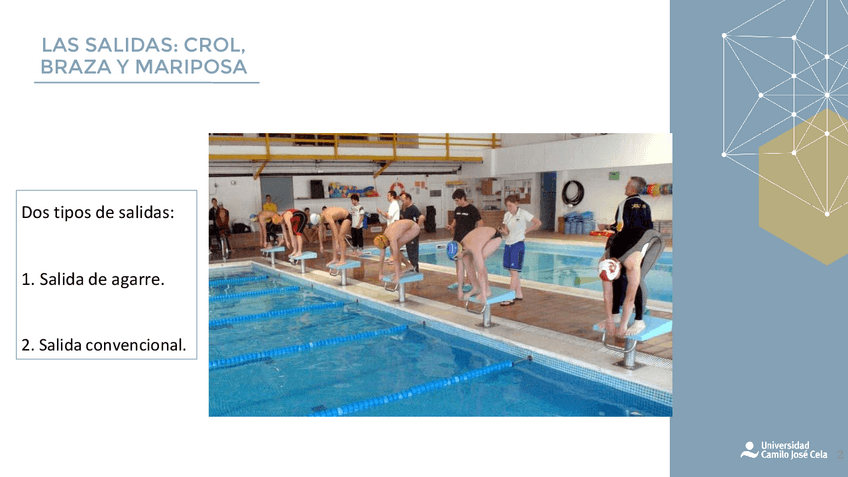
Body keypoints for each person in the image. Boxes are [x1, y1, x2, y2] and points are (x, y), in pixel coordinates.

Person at [598, 176, 654, 338]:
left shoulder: (625, 203)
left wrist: (605, 227)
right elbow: (649, 228)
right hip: (642, 244)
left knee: (632, 278)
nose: (625, 187)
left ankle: (638, 320)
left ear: (632, 189)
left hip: (631, 246)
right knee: (626, 278)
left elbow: (619, 227)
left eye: (627, 185)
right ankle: (618, 315)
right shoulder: (646, 205)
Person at [498, 194, 541, 306]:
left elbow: (538, 223)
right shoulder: (507, 215)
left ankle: (510, 297)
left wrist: (527, 230)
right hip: (508, 244)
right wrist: (503, 231)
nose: (509, 208)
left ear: (516, 204)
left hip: (518, 244)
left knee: (513, 271)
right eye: (507, 206)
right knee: (512, 271)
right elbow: (507, 232)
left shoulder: (523, 213)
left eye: (510, 206)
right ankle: (519, 294)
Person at [448, 226, 502, 305]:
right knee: (466, 258)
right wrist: (460, 290)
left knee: (478, 261)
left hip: (495, 237)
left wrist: (483, 294)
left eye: (456, 257)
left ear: (459, 251)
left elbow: (480, 271)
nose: (457, 259)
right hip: (480, 237)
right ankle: (476, 287)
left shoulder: (474, 247)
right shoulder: (461, 248)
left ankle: (487, 290)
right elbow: (460, 270)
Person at [446, 189, 483, 286]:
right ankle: (460, 281)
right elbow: (455, 220)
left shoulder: (472, 209)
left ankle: (469, 281)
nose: (456, 202)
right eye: (455, 201)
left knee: (468, 261)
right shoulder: (457, 209)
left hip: (468, 239)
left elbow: (480, 223)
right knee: (457, 261)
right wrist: (451, 226)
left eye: (457, 200)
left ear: (463, 198)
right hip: (457, 239)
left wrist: (475, 235)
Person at [374, 219, 420, 283]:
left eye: (385, 247)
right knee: (393, 248)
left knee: (395, 248)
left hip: (414, 227)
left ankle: (400, 271)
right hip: (405, 227)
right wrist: (380, 274)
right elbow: (382, 257)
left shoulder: (392, 237)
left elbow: (396, 258)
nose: (386, 247)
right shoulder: (383, 238)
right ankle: (408, 266)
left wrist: (397, 275)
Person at [399, 192, 424, 272]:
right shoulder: (404, 208)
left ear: (408, 199)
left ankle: (415, 268)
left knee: (413, 251)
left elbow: (421, 217)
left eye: (403, 200)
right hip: (407, 234)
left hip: (413, 234)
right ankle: (412, 267)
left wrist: (417, 229)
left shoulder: (413, 208)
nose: (402, 202)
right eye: (402, 201)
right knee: (409, 250)